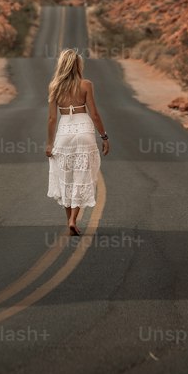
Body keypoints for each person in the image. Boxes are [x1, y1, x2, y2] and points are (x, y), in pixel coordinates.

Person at [45, 47, 109, 235]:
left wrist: (49, 143)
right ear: (77, 65)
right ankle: (74, 219)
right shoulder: (86, 84)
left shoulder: (54, 86)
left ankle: (69, 222)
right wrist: (104, 136)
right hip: (84, 130)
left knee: (66, 176)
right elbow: (94, 114)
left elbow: (51, 119)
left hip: (64, 132)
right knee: (83, 175)